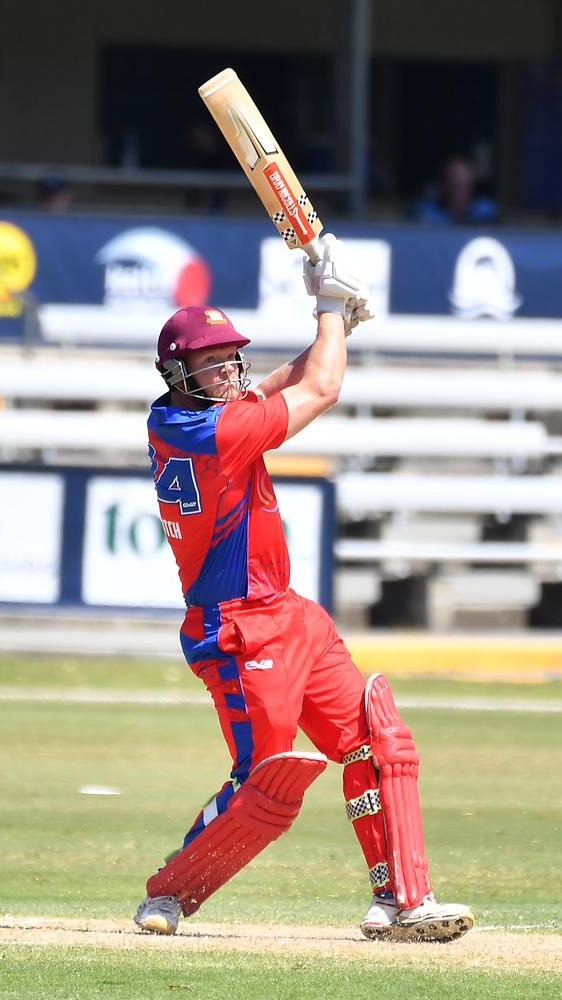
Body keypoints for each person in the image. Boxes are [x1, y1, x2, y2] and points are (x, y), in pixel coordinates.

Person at [135, 235, 474, 942]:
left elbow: (284, 380)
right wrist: (327, 305)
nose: (230, 368)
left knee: (378, 740)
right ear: (177, 372)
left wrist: (338, 322)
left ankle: (402, 901)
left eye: (232, 356)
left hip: (290, 614)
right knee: (268, 780)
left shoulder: (203, 412)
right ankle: (171, 892)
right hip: (236, 627)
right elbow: (320, 388)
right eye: (212, 360)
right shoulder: (206, 433)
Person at [413, 155, 500, 225]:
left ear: (471, 182)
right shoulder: (427, 211)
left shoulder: (487, 210)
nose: (456, 187)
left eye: (460, 181)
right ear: (443, 183)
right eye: (451, 180)